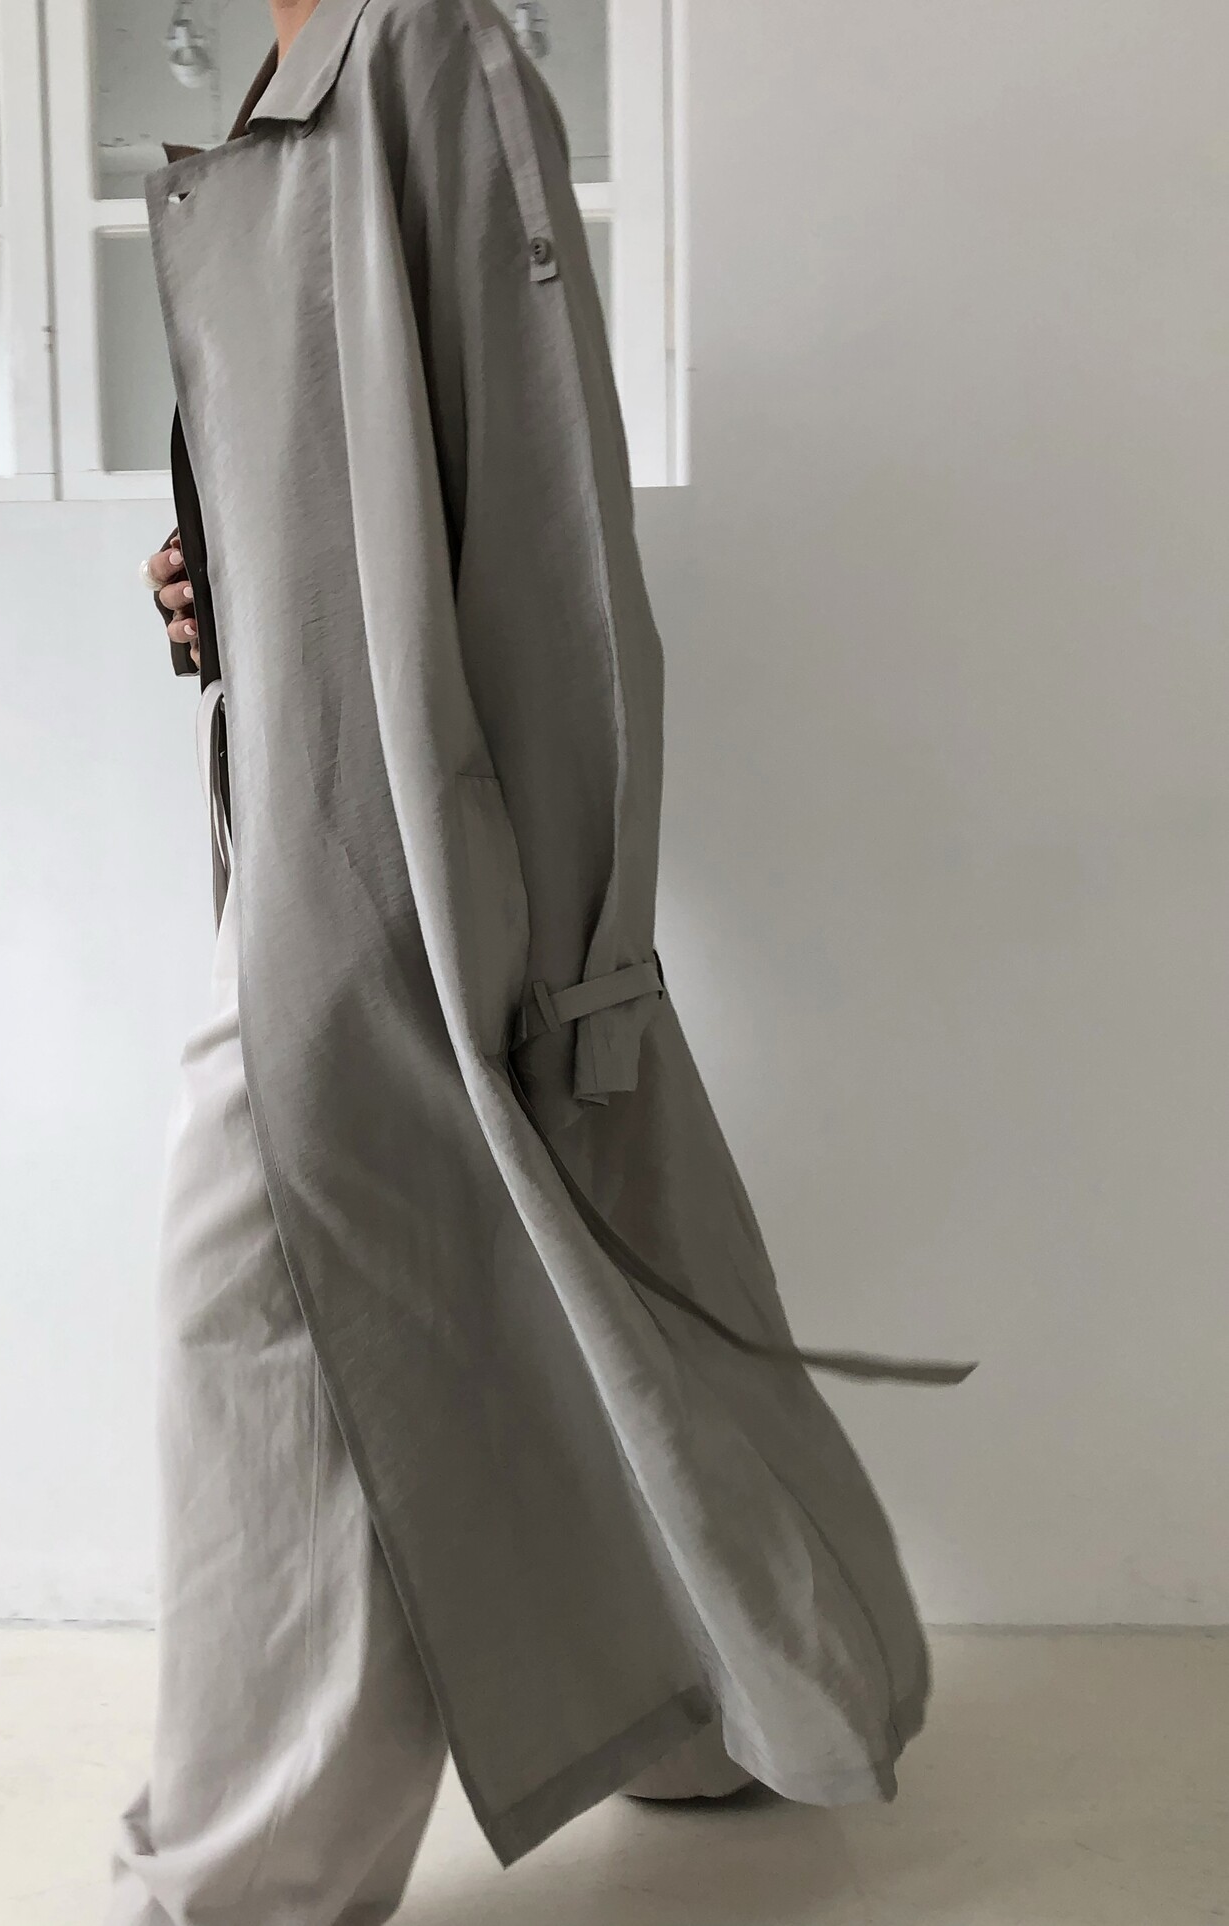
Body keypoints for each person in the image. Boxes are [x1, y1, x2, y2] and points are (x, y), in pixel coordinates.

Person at [113, 2, 971, 1922]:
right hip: (321, 836)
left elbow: (556, 521)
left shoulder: (426, 46)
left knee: (270, 1312)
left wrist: (580, 959)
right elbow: (327, 497)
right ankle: (710, 1704)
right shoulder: (287, 86)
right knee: (534, 1287)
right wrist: (213, 580)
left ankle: (246, 1885)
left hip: (416, 872)